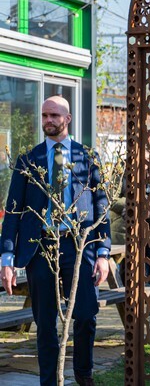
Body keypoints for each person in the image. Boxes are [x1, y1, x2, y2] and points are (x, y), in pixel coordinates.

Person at [1, 96, 111, 386]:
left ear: (68, 118)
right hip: (41, 247)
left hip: (79, 246)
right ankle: (50, 381)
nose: (48, 120)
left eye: (54, 115)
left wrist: (103, 253)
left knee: (87, 314)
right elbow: (12, 211)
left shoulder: (87, 157)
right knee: (46, 323)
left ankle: (83, 375)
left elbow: (101, 207)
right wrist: (7, 259)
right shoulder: (28, 160)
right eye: (44, 115)